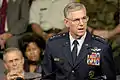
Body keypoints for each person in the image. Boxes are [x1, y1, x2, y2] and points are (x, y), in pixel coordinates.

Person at [42, 2, 116, 80]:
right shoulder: (53, 44)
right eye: (76, 20)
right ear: (67, 23)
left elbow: (110, 78)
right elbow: (47, 77)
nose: (81, 23)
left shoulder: (102, 47)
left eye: (84, 18)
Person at [29, 0, 120, 41]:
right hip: (86, 32)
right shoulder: (37, 3)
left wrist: (111, 34)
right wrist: (45, 35)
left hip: (113, 34)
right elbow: (34, 23)